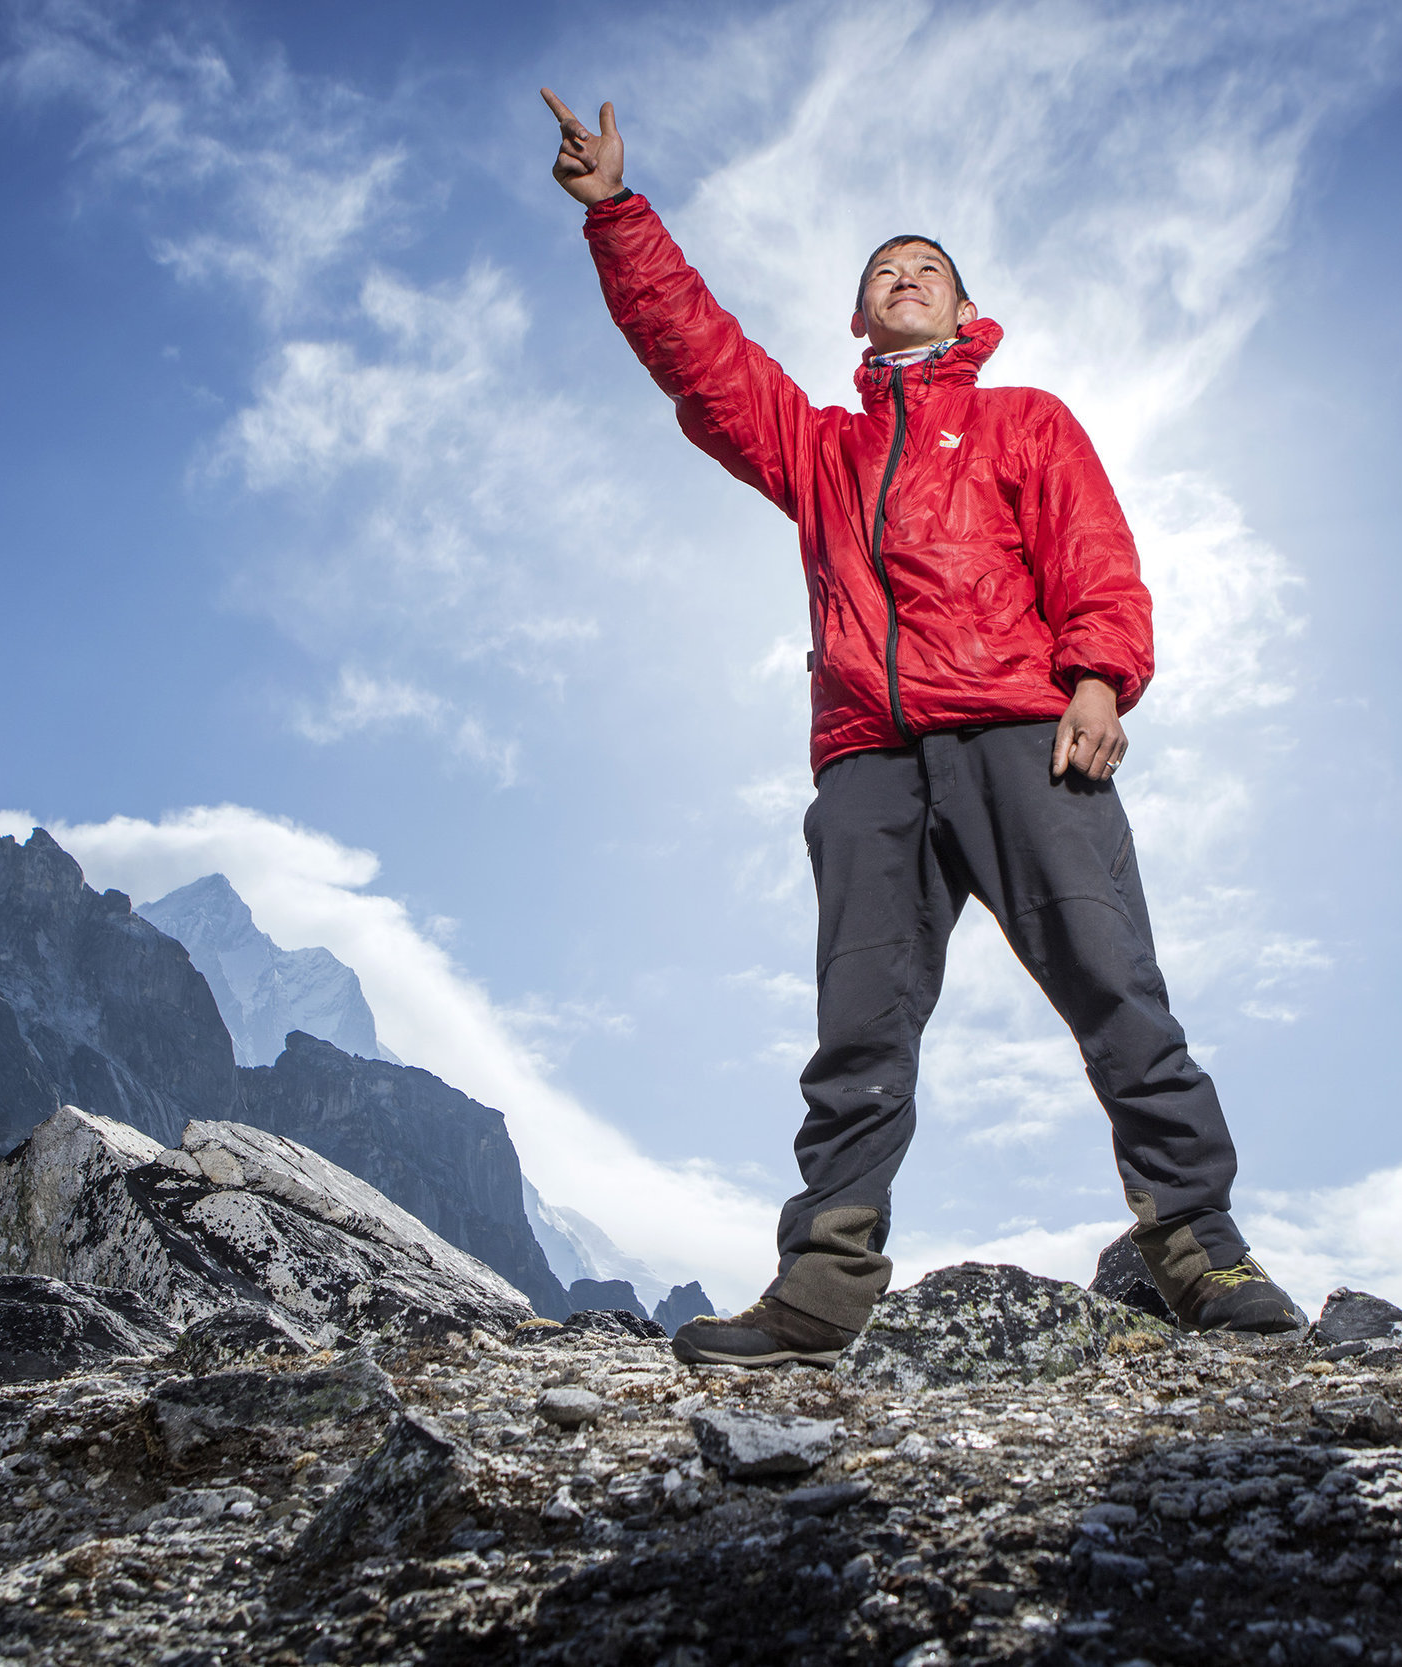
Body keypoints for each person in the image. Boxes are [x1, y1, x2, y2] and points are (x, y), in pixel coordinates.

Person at [543, 90, 1306, 1367]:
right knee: (859, 1023)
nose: (904, 278)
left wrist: (1101, 681)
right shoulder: (820, 450)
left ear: (964, 312)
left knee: (1113, 986)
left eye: (928, 270)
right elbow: (698, 353)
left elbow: (1096, 559)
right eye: (883, 271)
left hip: (1021, 735)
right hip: (866, 759)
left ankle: (1197, 1240)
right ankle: (820, 1290)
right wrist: (617, 212)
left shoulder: (1025, 422)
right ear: (858, 317)